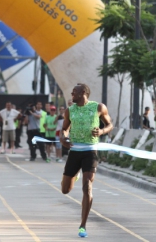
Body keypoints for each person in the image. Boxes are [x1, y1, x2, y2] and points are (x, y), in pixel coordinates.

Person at [60, 83, 113, 238]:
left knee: (87, 186)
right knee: (65, 190)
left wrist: (102, 130)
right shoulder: (70, 110)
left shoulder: (98, 107)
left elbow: (109, 124)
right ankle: (75, 175)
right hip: (75, 151)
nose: (71, 93)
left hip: (91, 151)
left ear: (82, 93)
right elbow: (64, 129)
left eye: (74, 92)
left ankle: (83, 225)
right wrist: (63, 138)